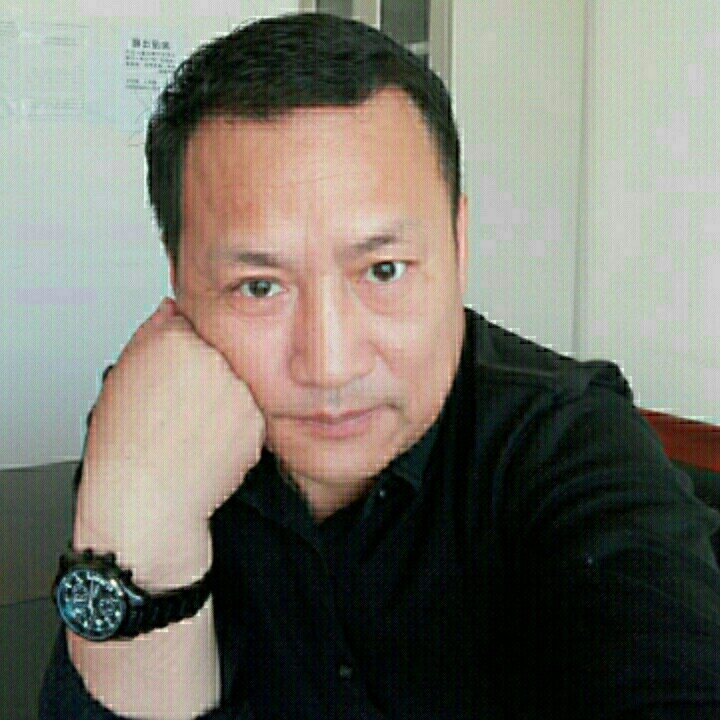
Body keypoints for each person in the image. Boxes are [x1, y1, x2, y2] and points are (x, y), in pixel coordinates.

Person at [40, 12, 720, 720]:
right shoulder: (158, 426)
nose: (330, 365)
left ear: (458, 245)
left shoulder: (564, 437)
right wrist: (135, 535)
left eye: (384, 270)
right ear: (178, 280)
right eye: (260, 287)